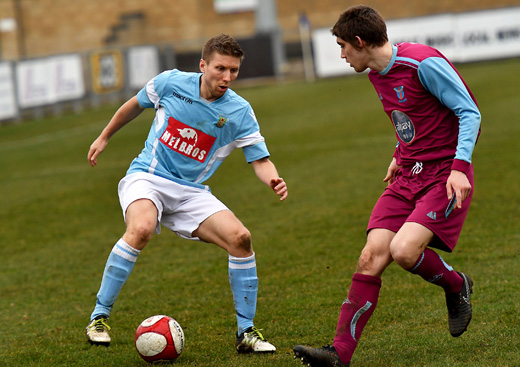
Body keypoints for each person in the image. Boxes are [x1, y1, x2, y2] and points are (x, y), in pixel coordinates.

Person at [293, 5, 480, 367]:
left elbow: (469, 111)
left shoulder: (422, 64)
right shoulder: (376, 75)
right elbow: (410, 120)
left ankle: (457, 285)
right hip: (409, 173)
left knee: (405, 251)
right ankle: (338, 354)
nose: (342, 55)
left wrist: (460, 168)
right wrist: (400, 152)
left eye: (343, 46)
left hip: (444, 174)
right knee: (370, 256)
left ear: (361, 42)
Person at [85, 34, 287, 354]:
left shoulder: (239, 111)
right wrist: (104, 136)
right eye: (221, 69)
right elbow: (134, 105)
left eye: (234, 71)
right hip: (148, 178)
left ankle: (246, 333)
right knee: (140, 229)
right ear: (203, 64)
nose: (227, 77)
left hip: (191, 192)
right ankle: (99, 317)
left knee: (241, 239)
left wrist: (273, 178)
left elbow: (260, 159)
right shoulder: (171, 83)